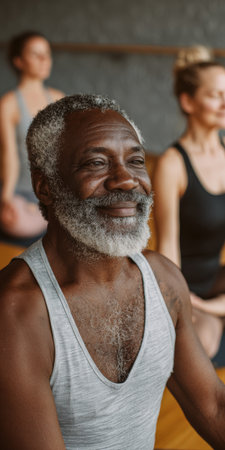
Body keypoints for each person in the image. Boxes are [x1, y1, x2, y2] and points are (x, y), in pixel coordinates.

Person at [1, 94, 225, 450]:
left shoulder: (163, 279)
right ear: (46, 187)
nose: (125, 181)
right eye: (96, 163)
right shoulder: (18, 312)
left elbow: (213, 406)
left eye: (135, 161)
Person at [153, 46, 225, 359]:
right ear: (188, 101)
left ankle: (214, 310)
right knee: (200, 349)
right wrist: (183, 303)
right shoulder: (172, 164)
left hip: (216, 283)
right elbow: (167, 249)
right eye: (215, 95)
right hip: (185, 283)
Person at [0, 30, 64, 238]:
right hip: (22, 194)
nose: (44, 59)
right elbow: (9, 154)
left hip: (55, 194)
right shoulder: (8, 104)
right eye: (36, 54)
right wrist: (6, 197)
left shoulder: (58, 99)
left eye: (47, 53)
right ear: (19, 61)